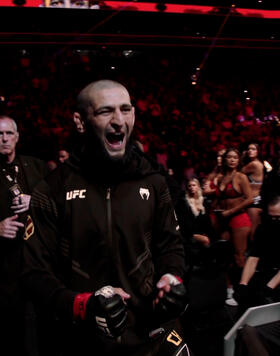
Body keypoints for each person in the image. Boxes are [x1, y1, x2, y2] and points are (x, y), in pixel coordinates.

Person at [21, 80, 190, 356]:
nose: (118, 121)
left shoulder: (154, 181)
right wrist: (82, 305)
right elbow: (34, 274)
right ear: (80, 121)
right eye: (105, 111)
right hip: (84, 341)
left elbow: (170, 246)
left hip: (154, 337)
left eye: (126, 110)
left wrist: (172, 278)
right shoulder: (51, 190)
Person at [0, 115, 49, 354]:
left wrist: (36, 200)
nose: (4, 139)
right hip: (4, 272)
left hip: (37, 265)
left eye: (9, 133)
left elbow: (61, 205)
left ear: (17, 137)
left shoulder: (37, 166)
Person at [213, 148, 253, 306]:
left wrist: (230, 211)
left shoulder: (241, 177)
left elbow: (250, 199)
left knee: (239, 257)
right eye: (229, 157)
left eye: (235, 157)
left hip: (238, 219)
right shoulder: (221, 177)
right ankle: (229, 289)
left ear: (238, 160)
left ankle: (241, 292)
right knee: (224, 255)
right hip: (224, 220)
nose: (232, 160)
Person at [233, 195, 280, 311]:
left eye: (278, 217)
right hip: (266, 272)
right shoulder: (263, 228)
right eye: (271, 217)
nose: (274, 221)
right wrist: (243, 284)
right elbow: (254, 258)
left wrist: (268, 288)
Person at [241, 143, 265, 240]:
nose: (250, 151)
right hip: (255, 200)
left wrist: (242, 156)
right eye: (249, 149)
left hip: (253, 201)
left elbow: (239, 172)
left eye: (253, 149)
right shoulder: (259, 163)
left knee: (252, 231)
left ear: (258, 151)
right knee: (253, 228)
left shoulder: (254, 164)